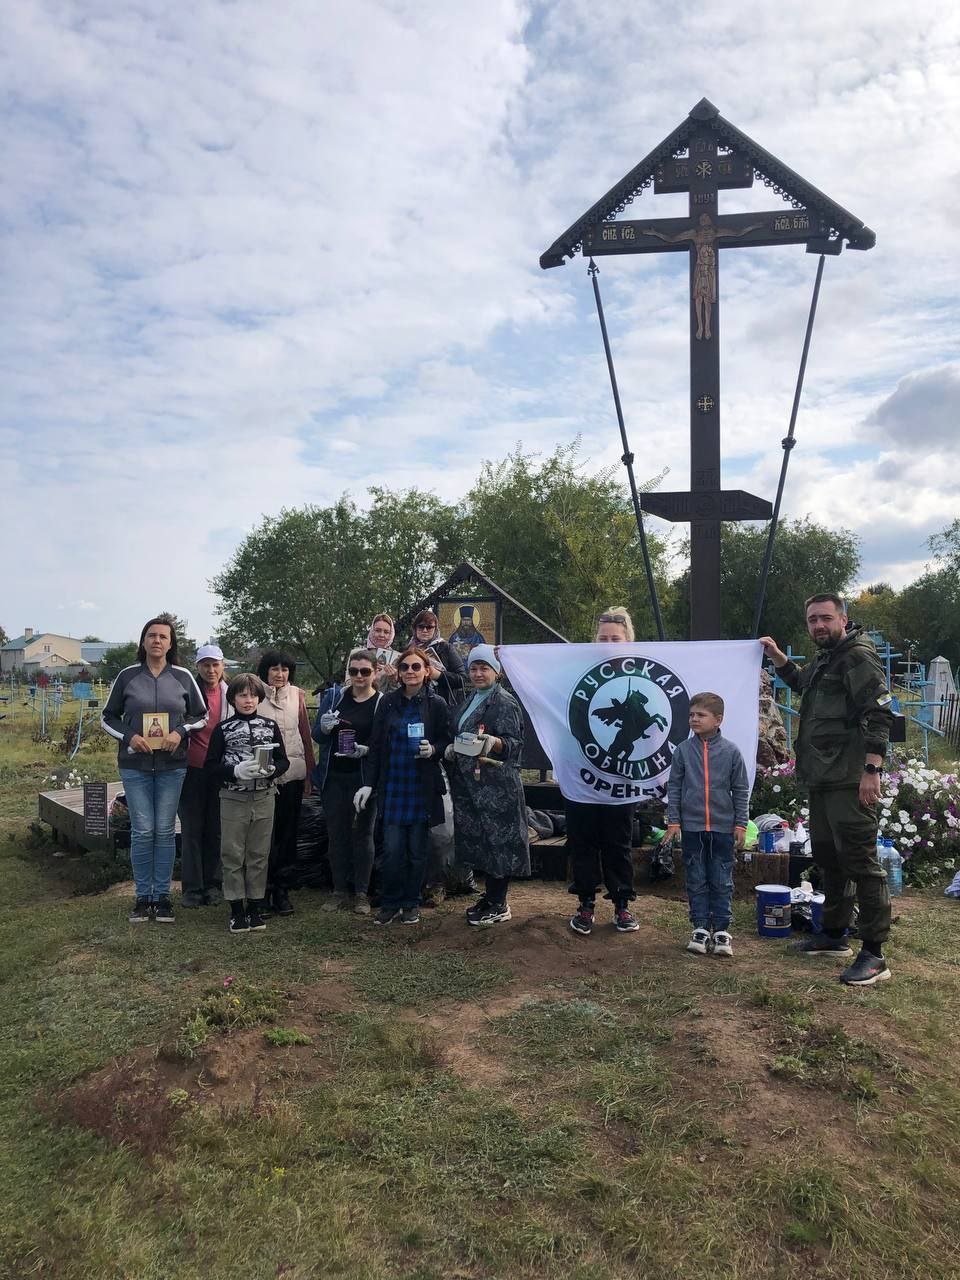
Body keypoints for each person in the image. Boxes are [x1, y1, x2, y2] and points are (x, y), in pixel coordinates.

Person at [761, 593, 894, 986]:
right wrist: (779, 659)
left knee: (860, 862)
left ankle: (874, 953)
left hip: (849, 777)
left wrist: (872, 769)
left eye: (825, 619)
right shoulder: (826, 656)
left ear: (843, 618)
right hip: (821, 777)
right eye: (812, 620)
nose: (818, 626)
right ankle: (834, 934)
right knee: (828, 857)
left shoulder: (857, 656)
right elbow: (804, 684)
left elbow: (880, 712)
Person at [101, 617, 208, 924]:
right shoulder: (127, 676)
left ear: (171, 643)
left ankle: (161, 898)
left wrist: (180, 732)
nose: (157, 641)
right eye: (151, 636)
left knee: (163, 831)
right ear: (143, 641)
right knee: (142, 830)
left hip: (172, 767)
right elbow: (108, 717)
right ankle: (141, 897)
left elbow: (201, 715)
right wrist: (130, 736)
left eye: (163, 636)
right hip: (135, 766)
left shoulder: (184, 677)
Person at [354, 645, 452, 926]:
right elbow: (375, 746)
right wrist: (368, 784)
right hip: (394, 786)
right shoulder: (387, 703)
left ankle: (411, 903)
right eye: (405, 667)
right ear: (397, 673)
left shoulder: (436, 704)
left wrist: (433, 749)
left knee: (417, 851)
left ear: (426, 671)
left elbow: (447, 740)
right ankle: (390, 902)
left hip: (420, 788)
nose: (410, 672)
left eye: (416, 667)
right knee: (393, 850)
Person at [567, 606, 641, 936]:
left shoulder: (642, 673)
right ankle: (585, 903)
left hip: (621, 776)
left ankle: (622, 905)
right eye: (603, 638)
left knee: (618, 842)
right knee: (582, 841)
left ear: (628, 640)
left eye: (615, 638)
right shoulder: (577, 670)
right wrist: (509, 657)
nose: (609, 642)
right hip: (582, 773)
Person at [445, 645, 530, 926]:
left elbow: (516, 744)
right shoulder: (472, 698)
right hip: (472, 786)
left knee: (498, 842)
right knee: (482, 841)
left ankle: (499, 902)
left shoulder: (504, 702)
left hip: (497, 787)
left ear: (497, 671)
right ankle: (490, 896)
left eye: (484, 668)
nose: (478, 673)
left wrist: (495, 742)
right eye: (473, 668)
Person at [664, 692, 749, 957]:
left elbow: (741, 790)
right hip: (692, 828)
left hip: (723, 828)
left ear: (718, 719)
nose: (694, 719)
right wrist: (674, 822)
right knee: (696, 878)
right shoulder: (683, 751)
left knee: (722, 879)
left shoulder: (731, 751)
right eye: (691, 715)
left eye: (701, 715)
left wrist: (741, 824)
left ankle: (722, 930)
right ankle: (700, 928)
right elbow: (675, 787)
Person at [205, 673, 289, 933]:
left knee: (258, 854)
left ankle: (255, 907)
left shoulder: (270, 725)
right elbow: (210, 766)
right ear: (233, 698)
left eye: (253, 695)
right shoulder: (223, 729)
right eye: (242, 695)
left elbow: (283, 759)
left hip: (264, 797)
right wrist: (235, 771)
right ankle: (236, 911)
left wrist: (273, 770)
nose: (248, 700)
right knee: (232, 854)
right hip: (233, 798)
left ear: (259, 698)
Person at [312, 648, 382, 915]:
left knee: (363, 835)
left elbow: (383, 744)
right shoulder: (333, 698)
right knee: (337, 834)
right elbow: (318, 735)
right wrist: (326, 727)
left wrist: (365, 751)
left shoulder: (381, 703)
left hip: (363, 779)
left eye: (365, 671)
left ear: (374, 673)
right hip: (335, 777)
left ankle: (362, 892)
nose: (359, 676)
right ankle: (339, 889)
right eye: (354, 671)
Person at [255, 649, 315, 916]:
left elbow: (305, 734)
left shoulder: (298, 696)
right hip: (263, 777)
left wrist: (309, 774)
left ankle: (282, 890)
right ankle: (262, 890)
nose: (280, 674)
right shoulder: (253, 694)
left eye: (285, 669)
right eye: (274, 669)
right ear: (265, 671)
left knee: (288, 835)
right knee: (264, 836)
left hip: (292, 774)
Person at [178, 644, 231, 907]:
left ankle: (213, 884)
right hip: (191, 769)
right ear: (197, 667)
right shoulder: (187, 693)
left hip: (219, 769)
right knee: (191, 829)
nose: (211, 670)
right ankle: (192, 887)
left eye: (215, 664)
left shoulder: (230, 694)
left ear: (223, 666)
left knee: (216, 830)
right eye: (205, 665)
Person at [408, 609, 466, 706]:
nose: (425, 630)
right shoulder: (407, 650)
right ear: (415, 628)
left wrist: (439, 675)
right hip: (412, 704)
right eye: (421, 626)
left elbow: (462, 679)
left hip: (439, 706)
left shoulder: (445, 648)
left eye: (429, 627)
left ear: (435, 629)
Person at [367, 613, 401, 691]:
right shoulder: (358, 654)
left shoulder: (397, 658)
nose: (381, 635)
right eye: (378, 630)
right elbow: (349, 684)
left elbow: (398, 691)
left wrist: (394, 679)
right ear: (372, 630)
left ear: (391, 634)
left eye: (386, 632)